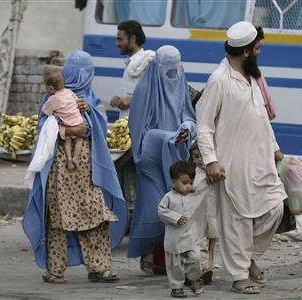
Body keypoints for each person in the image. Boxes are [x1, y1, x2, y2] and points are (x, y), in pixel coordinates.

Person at [196, 21, 287, 294]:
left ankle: (247, 258)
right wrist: (211, 160)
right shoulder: (219, 80)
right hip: (232, 163)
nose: (260, 52)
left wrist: (274, 147)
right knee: (236, 221)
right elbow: (204, 125)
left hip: (261, 161)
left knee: (275, 208)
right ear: (247, 51)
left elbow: (261, 118)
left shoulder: (253, 77)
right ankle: (238, 276)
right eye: (257, 48)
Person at [23, 50, 128, 283]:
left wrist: (89, 113)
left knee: (95, 215)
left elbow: (99, 128)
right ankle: (56, 271)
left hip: (89, 171)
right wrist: (69, 130)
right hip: (59, 169)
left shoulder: (90, 99)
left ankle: (99, 268)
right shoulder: (52, 96)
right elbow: (43, 128)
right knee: (59, 218)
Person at [128, 45, 196, 275]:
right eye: (166, 69)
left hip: (174, 153)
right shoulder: (144, 88)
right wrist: (167, 136)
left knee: (175, 204)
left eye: (174, 68)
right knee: (155, 207)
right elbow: (139, 129)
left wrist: (186, 128)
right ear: (157, 67)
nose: (171, 74)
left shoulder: (180, 83)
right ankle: (147, 252)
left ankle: (163, 260)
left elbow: (187, 113)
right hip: (150, 155)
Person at [158, 160, 209, 298]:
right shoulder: (168, 198)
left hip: (190, 238)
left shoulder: (193, 195)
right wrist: (175, 218)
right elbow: (161, 211)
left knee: (195, 258)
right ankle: (176, 287)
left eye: (191, 183)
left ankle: (192, 279)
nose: (188, 186)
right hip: (174, 240)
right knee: (175, 266)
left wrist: (211, 178)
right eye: (184, 183)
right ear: (173, 181)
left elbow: (203, 188)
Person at [39, 68, 84, 171]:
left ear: (50, 88)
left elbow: (46, 111)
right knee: (79, 139)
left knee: (67, 140)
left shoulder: (53, 99)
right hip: (78, 121)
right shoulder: (69, 92)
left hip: (67, 124)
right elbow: (77, 101)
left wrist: (41, 115)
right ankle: (76, 157)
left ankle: (69, 159)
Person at [110, 20, 155, 118]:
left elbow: (155, 95)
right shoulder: (131, 63)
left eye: (120, 39)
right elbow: (130, 94)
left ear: (133, 38)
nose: (117, 44)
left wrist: (132, 101)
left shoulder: (147, 61)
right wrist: (118, 99)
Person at [190, 141, 218, 285]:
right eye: (196, 156)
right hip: (198, 217)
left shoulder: (216, 172)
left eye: (202, 156)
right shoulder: (193, 175)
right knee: (200, 241)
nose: (200, 159)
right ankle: (203, 267)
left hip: (213, 214)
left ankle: (209, 267)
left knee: (212, 242)